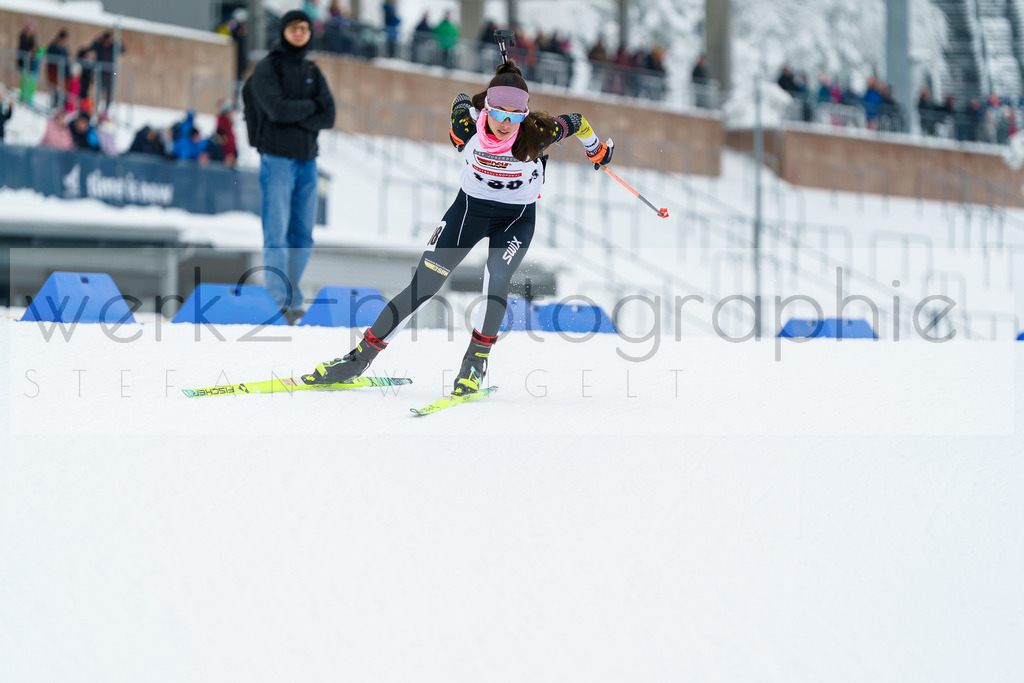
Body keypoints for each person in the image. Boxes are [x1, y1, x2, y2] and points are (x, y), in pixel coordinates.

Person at [301, 58, 615, 396]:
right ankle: (357, 359)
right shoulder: (467, 128)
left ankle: (473, 367)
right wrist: (474, 101)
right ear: (487, 109)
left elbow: (579, 122)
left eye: (516, 116)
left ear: (525, 115)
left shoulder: (539, 132)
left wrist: (596, 149)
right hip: (468, 211)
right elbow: (460, 99)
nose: (506, 123)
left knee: (496, 280)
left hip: (516, 220)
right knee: (424, 283)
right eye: (499, 113)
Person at [245, 9, 335, 322]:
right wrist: (310, 109)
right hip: (277, 158)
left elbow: (330, 116)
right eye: (294, 27)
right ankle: (277, 302)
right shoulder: (268, 67)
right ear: (284, 30)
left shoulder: (312, 69)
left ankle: (293, 302)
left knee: (303, 234)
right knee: (276, 232)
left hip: (308, 160)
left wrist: (300, 114)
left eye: (305, 28)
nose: (300, 33)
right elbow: (277, 110)